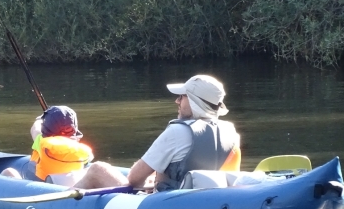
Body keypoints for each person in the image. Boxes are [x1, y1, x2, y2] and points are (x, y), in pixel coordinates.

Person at [73, 74, 241, 191]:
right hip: (203, 200)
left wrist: (150, 182)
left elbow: (134, 179)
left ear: (194, 101)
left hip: (165, 205)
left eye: (182, 96)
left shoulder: (178, 131)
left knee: (98, 168)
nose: (177, 100)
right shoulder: (231, 133)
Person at [2, 105, 94, 184]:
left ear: (47, 128)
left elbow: (35, 129)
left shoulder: (42, 142)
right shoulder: (79, 148)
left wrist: (40, 120)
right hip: (71, 187)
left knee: (8, 172)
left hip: (39, 189)